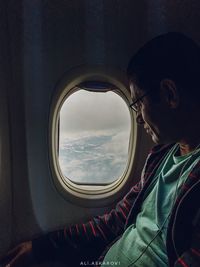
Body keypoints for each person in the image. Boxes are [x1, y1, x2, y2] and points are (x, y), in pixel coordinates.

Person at [2, 32, 200, 267]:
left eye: (138, 103)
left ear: (170, 94)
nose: (137, 118)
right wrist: (40, 248)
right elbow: (115, 222)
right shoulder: (160, 157)